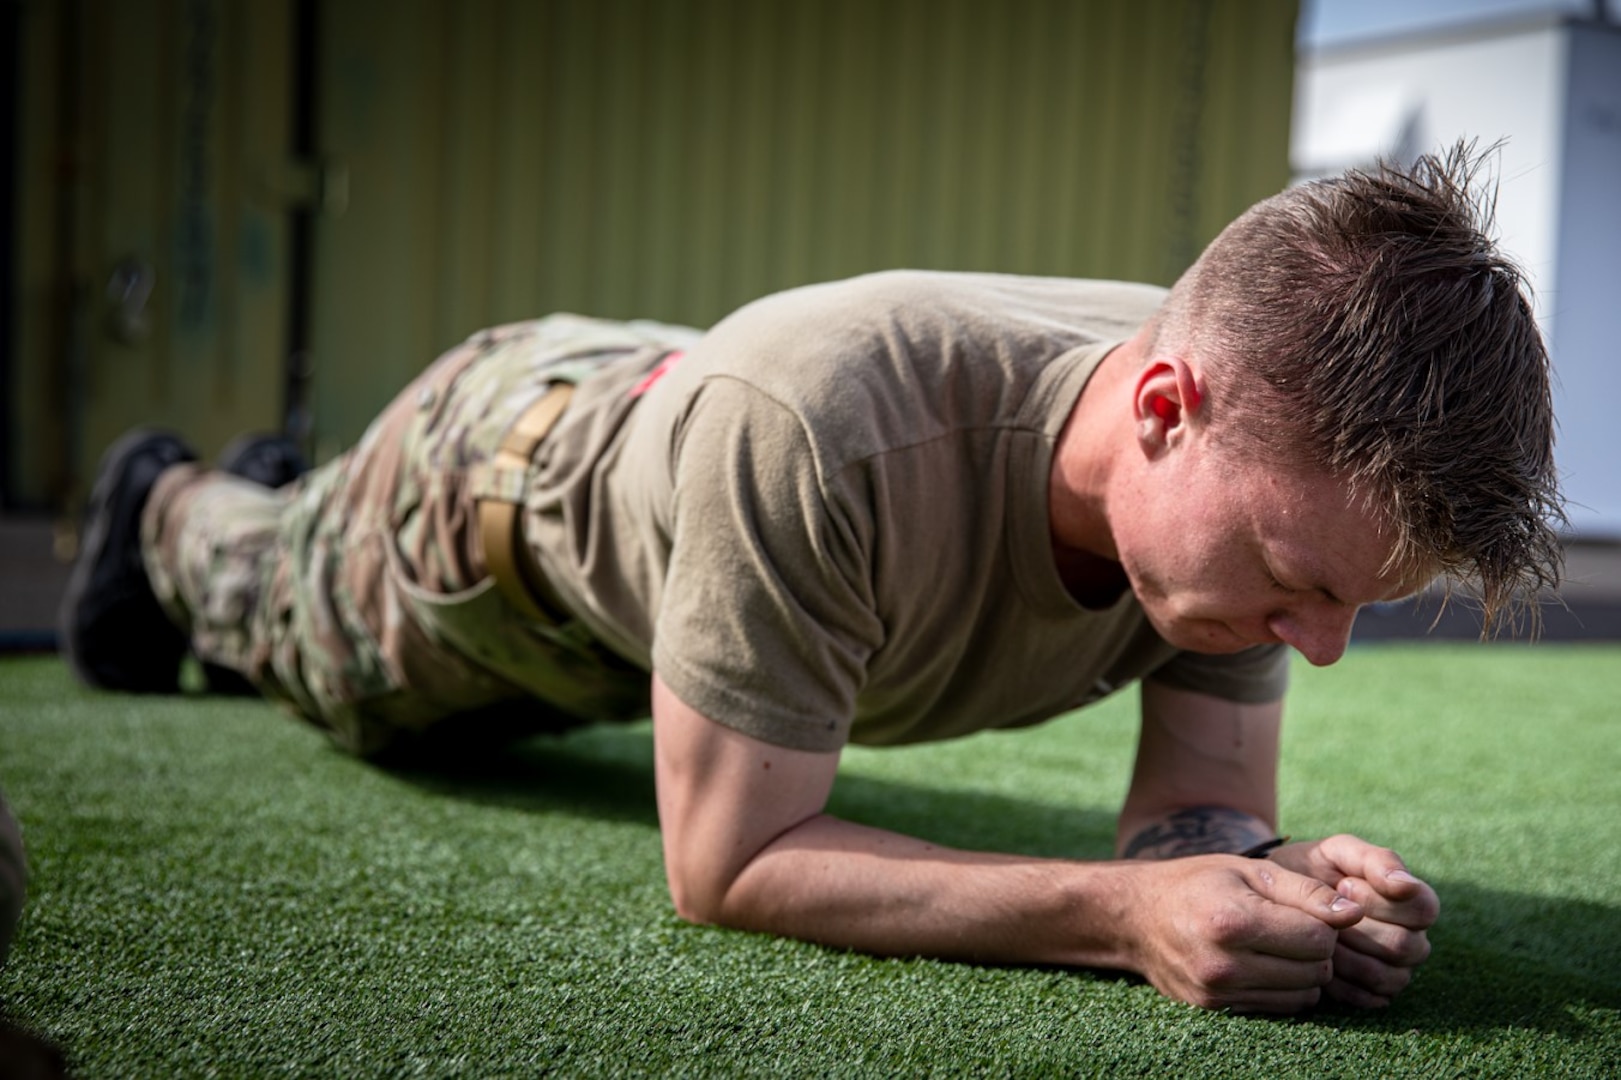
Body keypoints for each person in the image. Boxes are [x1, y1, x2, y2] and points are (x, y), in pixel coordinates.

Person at [59, 143, 1562, 1014]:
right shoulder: (818, 427)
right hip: (491, 515)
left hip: (711, 473)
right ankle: (181, 499)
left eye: (1356, 605)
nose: (1319, 650)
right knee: (269, 627)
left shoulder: (1251, 454)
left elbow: (1188, 814)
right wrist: (1121, 918)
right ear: (1160, 413)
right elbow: (725, 868)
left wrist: (1257, 878)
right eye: (1304, 586)